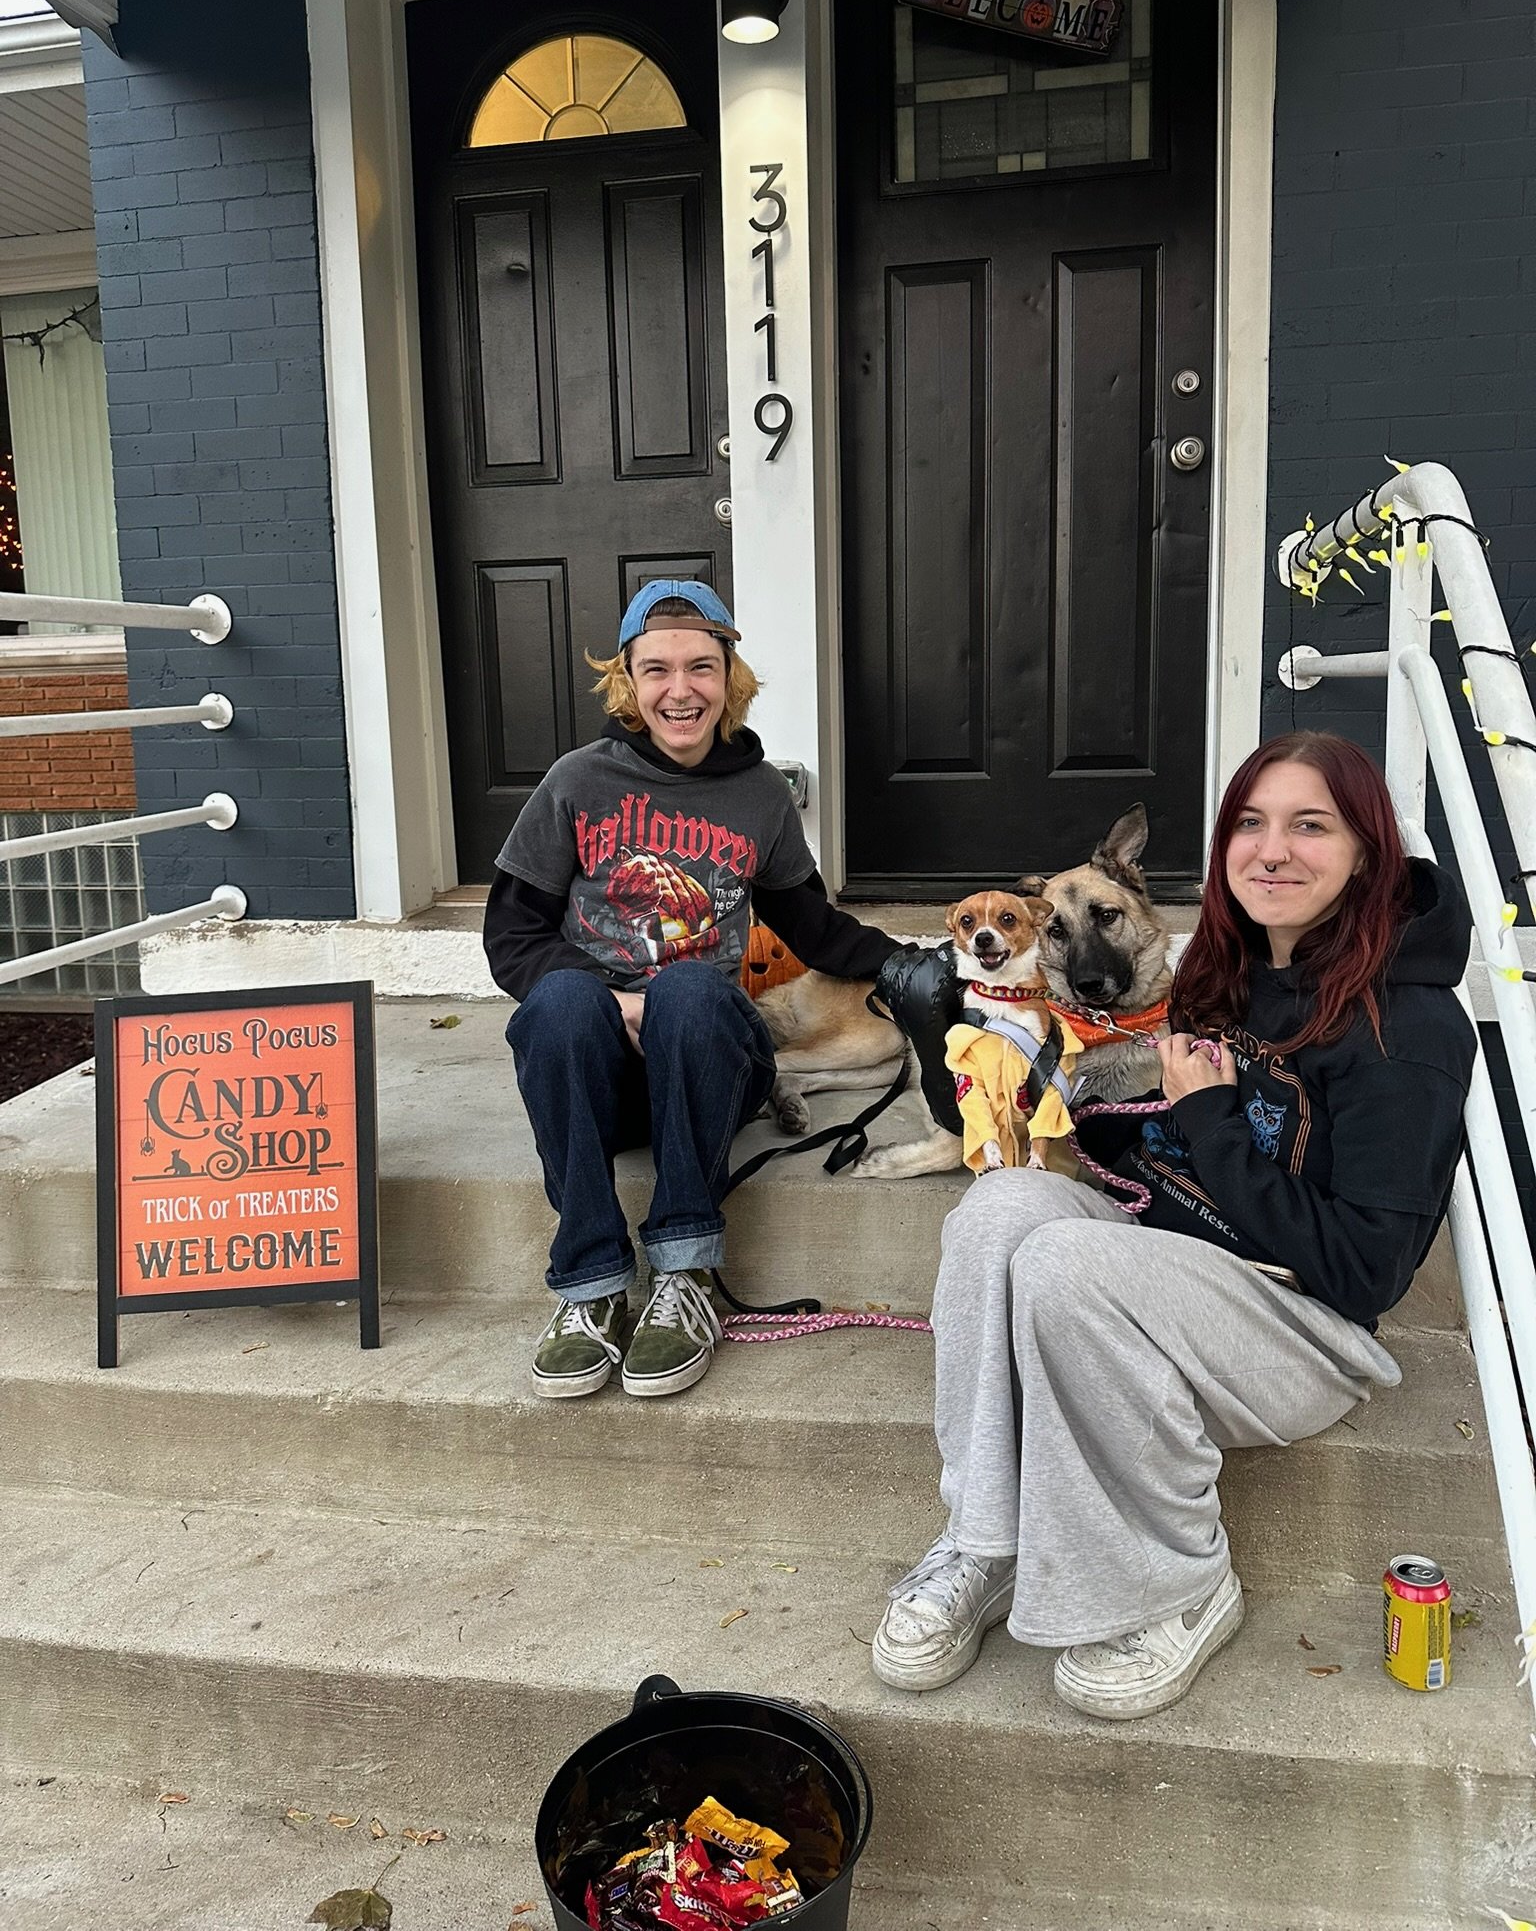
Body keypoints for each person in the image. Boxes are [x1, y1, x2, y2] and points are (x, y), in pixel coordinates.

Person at [873, 731, 1476, 1718]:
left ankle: (1184, 1579)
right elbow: (1141, 1151)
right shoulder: (1226, 976)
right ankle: (986, 1533)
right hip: (1186, 1264)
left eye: (1309, 824)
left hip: (1305, 1325)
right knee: (1001, 1205)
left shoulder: (1404, 1031)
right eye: (1250, 822)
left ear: (1368, 848)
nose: (1271, 848)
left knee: (1068, 1260)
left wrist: (1201, 1118)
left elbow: (1364, 1272)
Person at [484, 580, 904, 1402]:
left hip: (713, 1064)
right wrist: (612, 1003)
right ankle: (591, 1286)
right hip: (604, 1081)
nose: (681, 690)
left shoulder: (758, 797)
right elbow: (510, 938)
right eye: (658, 670)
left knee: (685, 989)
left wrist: (916, 965)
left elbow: (814, 927)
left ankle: (687, 1274)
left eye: (702, 668)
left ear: (730, 679)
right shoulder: (576, 782)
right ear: (628, 683)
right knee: (562, 1003)